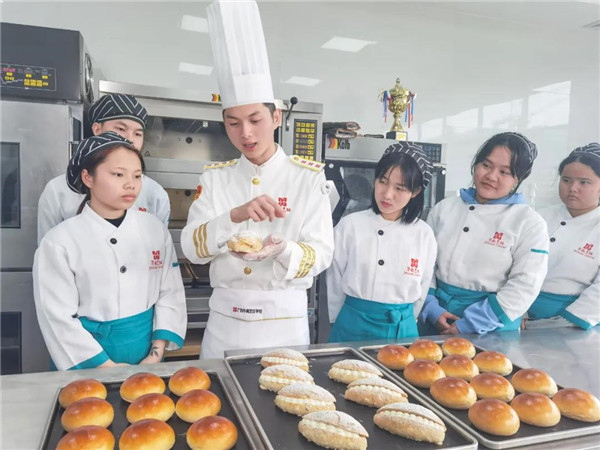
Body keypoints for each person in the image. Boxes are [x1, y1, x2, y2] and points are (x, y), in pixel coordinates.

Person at [181, 0, 333, 358]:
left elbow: (322, 253)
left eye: (255, 120)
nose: (245, 133)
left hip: (284, 323)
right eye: (233, 123)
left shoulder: (307, 177)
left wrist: (283, 250)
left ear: (276, 117)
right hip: (224, 324)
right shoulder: (216, 179)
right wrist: (233, 217)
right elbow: (191, 249)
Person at [33, 132, 187, 370]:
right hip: (84, 360)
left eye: (137, 176)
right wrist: (106, 368)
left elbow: (170, 292)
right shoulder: (58, 242)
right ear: (88, 177)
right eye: (118, 174)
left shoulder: (155, 229)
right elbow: (56, 316)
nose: (131, 184)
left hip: (147, 355)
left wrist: (155, 354)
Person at [418, 132, 549, 335]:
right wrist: (431, 307)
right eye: (486, 165)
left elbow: (525, 285)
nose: (491, 176)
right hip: (436, 316)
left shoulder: (529, 223)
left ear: (518, 178)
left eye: (504, 172)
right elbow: (425, 264)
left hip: (491, 325)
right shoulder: (445, 208)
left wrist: (472, 323)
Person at [327, 142, 437, 342]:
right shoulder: (350, 226)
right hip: (352, 323)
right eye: (383, 181)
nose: (387, 194)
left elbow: (423, 286)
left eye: (399, 188)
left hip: (401, 328)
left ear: (415, 192)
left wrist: (408, 318)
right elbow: (334, 280)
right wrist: (336, 319)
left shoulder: (424, 234)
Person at [37, 93, 170, 243]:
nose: (130, 140)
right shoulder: (57, 191)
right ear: (97, 129)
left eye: (138, 134)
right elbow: (47, 247)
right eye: (121, 129)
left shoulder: (156, 194)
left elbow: (159, 247)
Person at [525, 143, 600, 330]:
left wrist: (561, 323)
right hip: (520, 313)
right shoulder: (538, 217)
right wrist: (515, 310)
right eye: (566, 180)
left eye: (584, 182)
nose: (573, 188)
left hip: (575, 324)